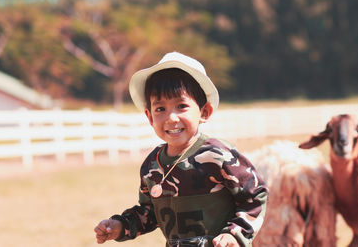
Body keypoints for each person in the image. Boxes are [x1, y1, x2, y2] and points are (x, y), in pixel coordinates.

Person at [94, 52, 268, 247]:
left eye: (181, 106)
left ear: (204, 112)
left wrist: (234, 234)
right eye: (160, 109)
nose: (171, 118)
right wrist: (120, 226)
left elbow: (256, 196)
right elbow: (149, 214)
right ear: (150, 117)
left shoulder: (218, 156)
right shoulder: (152, 166)